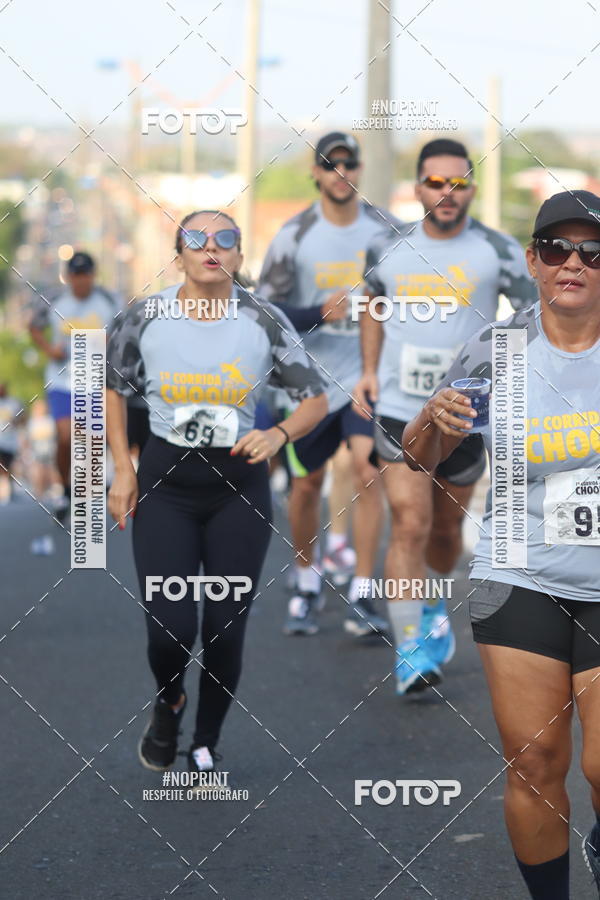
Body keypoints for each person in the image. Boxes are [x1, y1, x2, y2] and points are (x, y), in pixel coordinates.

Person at [403, 190, 600, 899]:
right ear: (533, 262)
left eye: (593, 253)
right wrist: (433, 420)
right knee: (535, 760)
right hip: (519, 569)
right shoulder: (499, 347)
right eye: (556, 249)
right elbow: (419, 456)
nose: (573, 263)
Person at [106, 209, 326, 776]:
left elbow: (315, 400)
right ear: (178, 256)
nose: (211, 247)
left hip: (238, 491)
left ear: (239, 256)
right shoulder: (144, 316)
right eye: (196, 239)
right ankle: (170, 702)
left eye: (225, 239)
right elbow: (111, 388)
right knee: (171, 630)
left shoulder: (263, 319)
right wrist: (123, 469)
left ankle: (205, 741)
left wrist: (278, 435)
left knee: (225, 628)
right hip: (166, 487)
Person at [354, 138, 538, 692]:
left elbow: (534, 316)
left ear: (472, 189)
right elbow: (371, 307)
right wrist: (368, 370)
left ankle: (432, 602)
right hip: (399, 406)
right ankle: (410, 646)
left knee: (444, 530)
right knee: (409, 521)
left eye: (458, 182)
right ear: (418, 188)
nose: (446, 192)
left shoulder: (498, 250)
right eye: (435, 182)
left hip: (465, 414)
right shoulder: (386, 246)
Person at [258, 131, 401, 637]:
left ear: (359, 170)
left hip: (366, 376)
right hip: (307, 384)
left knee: (367, 470)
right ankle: (305, 580)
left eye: (349, 164)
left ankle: (362, 591)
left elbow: (408, 290)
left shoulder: (387, 229)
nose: (341, 174)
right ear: (316, 173)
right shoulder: (294, 236)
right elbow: (264, 311)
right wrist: (316, 312)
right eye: (331, 165)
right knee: (307, 485)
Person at [29, 251, 118, 521]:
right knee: (66, 436)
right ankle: (65, 488)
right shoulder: (55, 299)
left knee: (95, 438)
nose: (81, 281)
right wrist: (49, 350)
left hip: (94, 380)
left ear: (93, 275)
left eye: (86, 275)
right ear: (68, 277)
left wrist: (110, 345)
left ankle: (87, 486)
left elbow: (124, 332)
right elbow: (33, 327)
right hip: (62, 380)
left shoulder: (109, 300)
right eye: (76, 275)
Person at [0, 384, 22, 504]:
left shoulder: (13, 403)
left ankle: (9, 489)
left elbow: (22, 418)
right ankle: (4, 491)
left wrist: (16, 421)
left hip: (10, 442)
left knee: (8, 466)